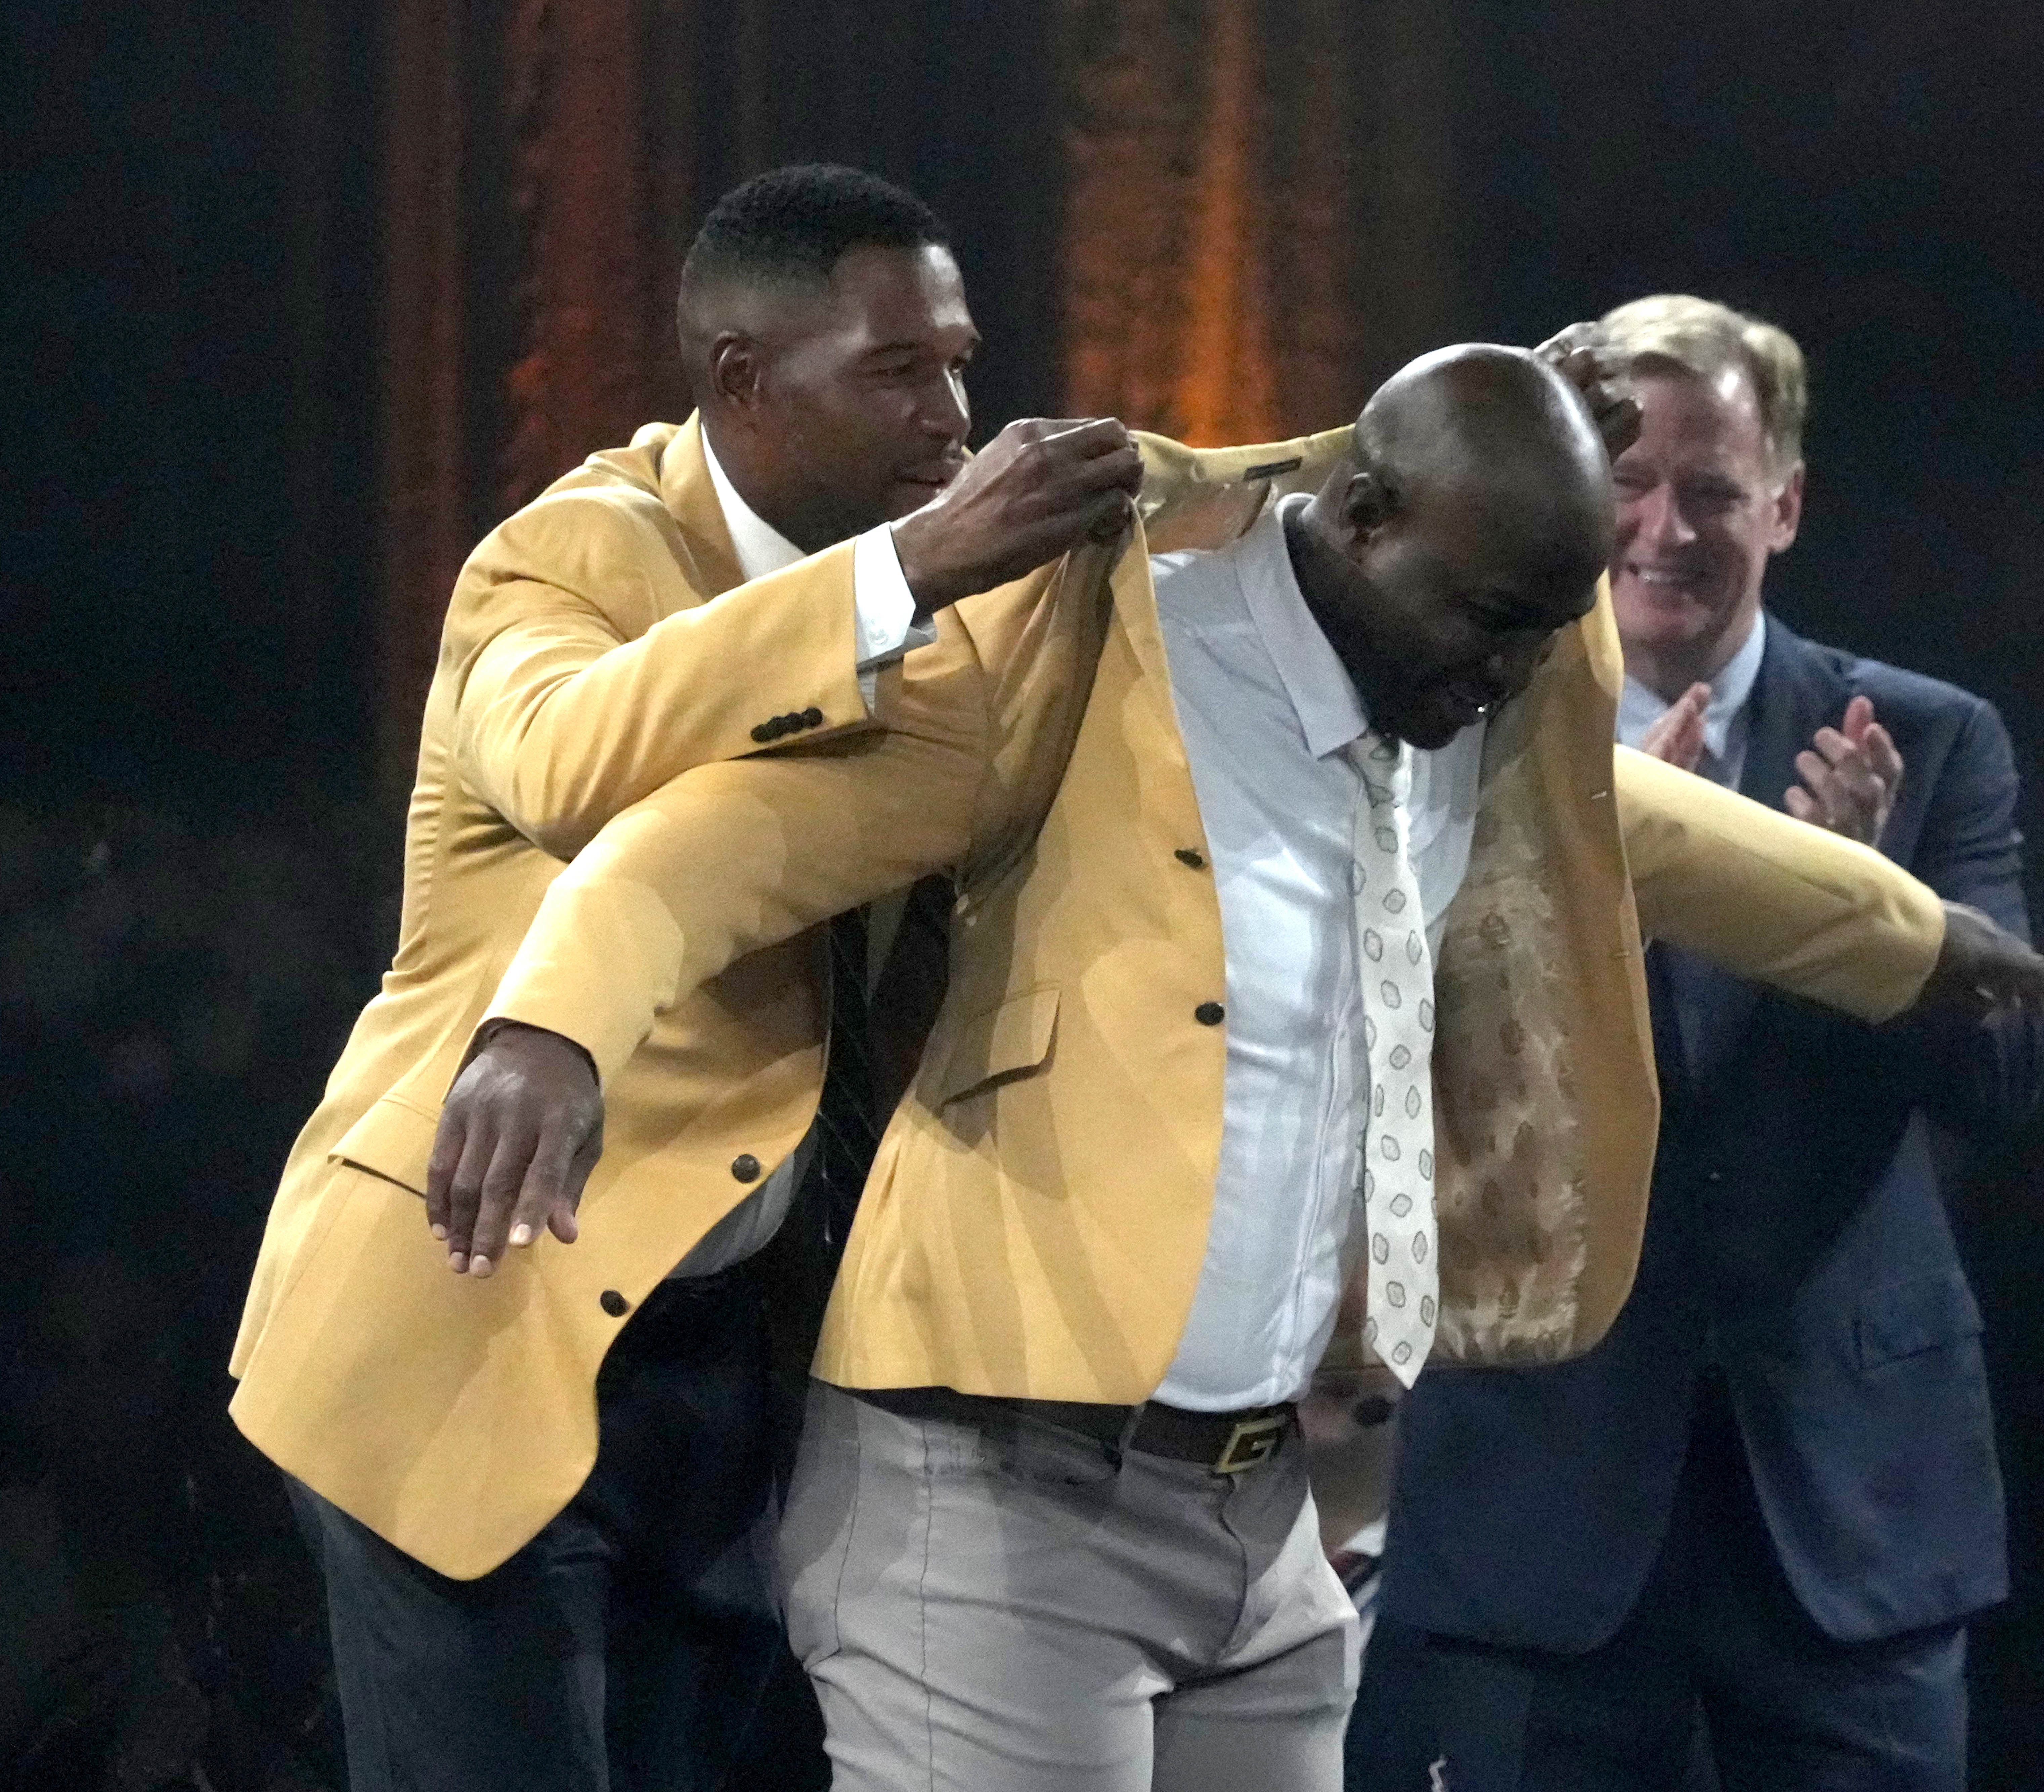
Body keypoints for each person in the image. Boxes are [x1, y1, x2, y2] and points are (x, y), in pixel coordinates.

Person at [431, 340, 2044, 1790]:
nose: (1509, 677)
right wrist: (548, 1023)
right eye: (1491, 622)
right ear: (1364, 523)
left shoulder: (1457, 699)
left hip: (1259, 1514)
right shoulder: (1093, 650)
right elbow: (716, 842)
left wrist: (1917, 938)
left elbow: (1656, 831)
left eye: (1539, 641)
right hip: (995, 1504)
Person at [225, 162, 1303, 1792]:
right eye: (896, 372)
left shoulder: (943, 602)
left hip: (742, 1372)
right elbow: (567, 757)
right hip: (474, 1310)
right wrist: (910, 568)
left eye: (959, 361)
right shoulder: (566, 556)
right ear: (740, 381)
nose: (952, 413)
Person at [1352, 295, 2044, 1792]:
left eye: (1716, 491)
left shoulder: (1928, 743)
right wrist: (1623, 882)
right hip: (1544, 1499)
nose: (1665, 529)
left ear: (1784, 505)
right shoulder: (1454, 731)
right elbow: (1382, 1057)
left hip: (1847, 1512)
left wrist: (1869, 912)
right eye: (1633, 486)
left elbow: (2007, 1078)